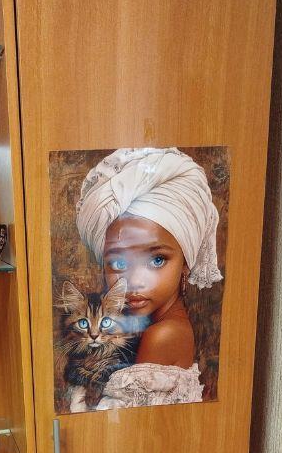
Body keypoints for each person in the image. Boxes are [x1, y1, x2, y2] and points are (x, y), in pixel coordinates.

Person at [73, 147, 221, 409]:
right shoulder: (151, 325)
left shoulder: (163, 335)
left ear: (186, 263)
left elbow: (118, 425)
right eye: (119, 263)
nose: (134, 281)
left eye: (157, 260)